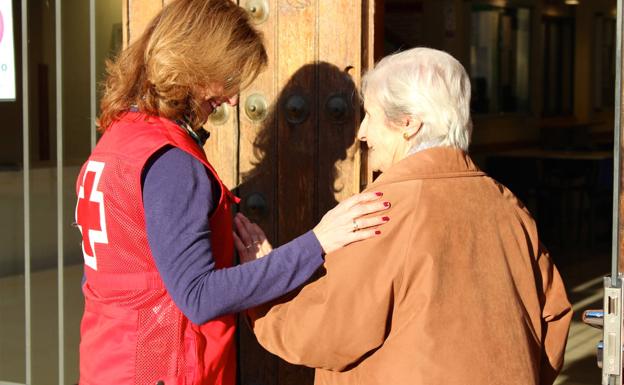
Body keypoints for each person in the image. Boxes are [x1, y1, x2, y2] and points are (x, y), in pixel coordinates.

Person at [73, 1, 390, 384]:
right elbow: (199, 296)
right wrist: (317, 242)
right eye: (228, 76)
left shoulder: (120, 138)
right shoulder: (172, 162)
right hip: (163, 367)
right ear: (195, 63)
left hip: (111, 361)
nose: (234, 98)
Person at [240, 47, 572, 385]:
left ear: (409, 124)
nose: (362, 133)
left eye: (370, 115)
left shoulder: (382, 210)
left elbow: (327, 330)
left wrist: (265, 283)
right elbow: (554, 318)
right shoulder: (507, 206)